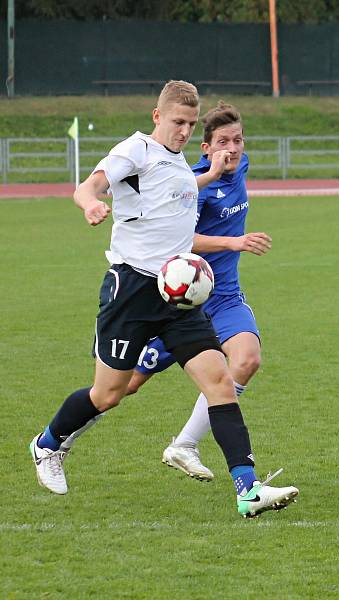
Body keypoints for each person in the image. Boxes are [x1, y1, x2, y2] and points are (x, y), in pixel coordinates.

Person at [29, 82, 298, 518]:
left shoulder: (178, 167)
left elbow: (182, 197)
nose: (184, 132)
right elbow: (89, 185)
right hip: (130, 291)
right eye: (178, 122)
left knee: (220, 383)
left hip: (178, 296)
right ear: (157, 116)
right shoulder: (134, 151)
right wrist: (90, 205)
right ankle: (47, 444)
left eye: (191, 125)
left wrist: (212, 175)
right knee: (109, 393)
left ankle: (247, 490)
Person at [59, 101, 271, 484]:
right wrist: (232, 242)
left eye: (238, 140)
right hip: (171, 292)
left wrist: (220, 161)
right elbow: (180, 236)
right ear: (204, 149)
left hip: (218, 299)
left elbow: (191, 181)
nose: (233, 148)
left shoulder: (234, 167)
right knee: (121, 388)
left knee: (242, 362)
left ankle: (197, 453)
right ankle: (58, 437)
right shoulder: (173, 172)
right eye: (222, 141)